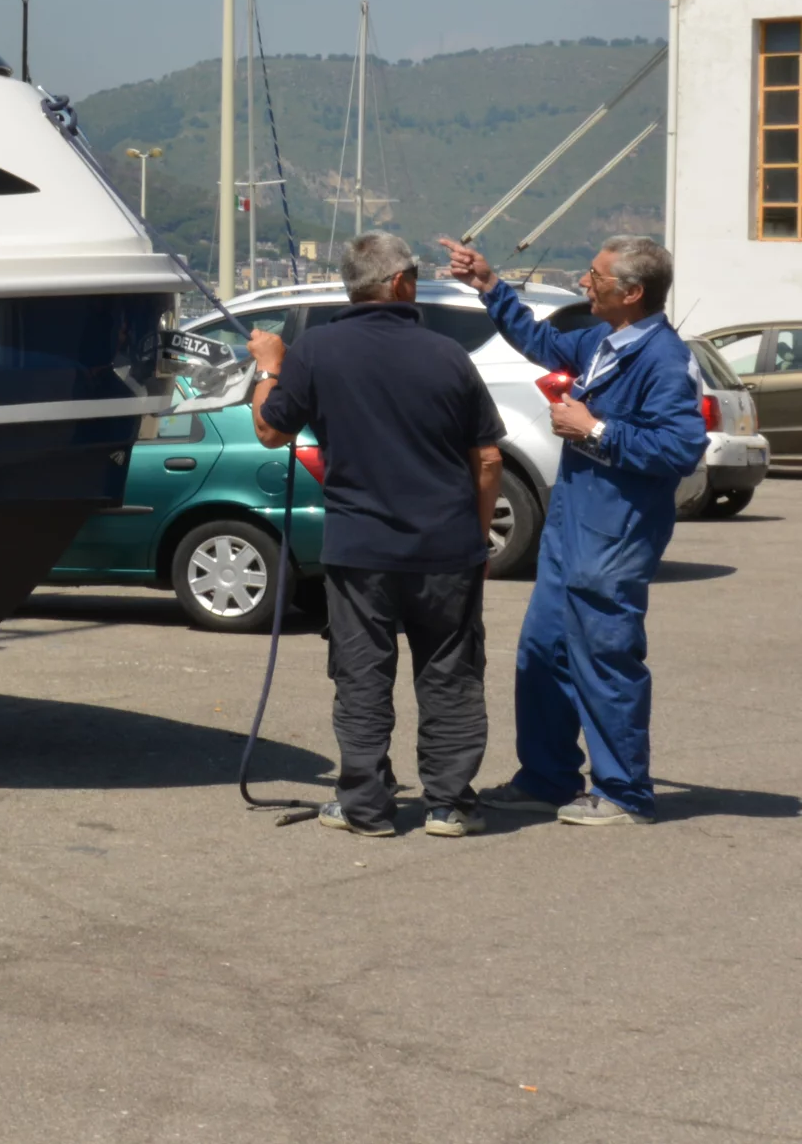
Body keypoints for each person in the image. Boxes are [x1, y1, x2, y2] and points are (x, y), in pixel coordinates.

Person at [247, 232, 506, 838]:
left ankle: (365, 805)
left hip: (360, 551)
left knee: (362, 675)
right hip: (446, 549)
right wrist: (475, 537)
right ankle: (449, 804)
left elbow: (269, 432)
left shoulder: (316, 351)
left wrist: (269, 369)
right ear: (400, 284)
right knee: (451, 673)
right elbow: (488, 460)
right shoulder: (448, 355)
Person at [440, 232, 704, 825]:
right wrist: (489, 285)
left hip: (615, 531)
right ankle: (548, 776)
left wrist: (596, 430)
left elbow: (682, 449)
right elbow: (543, 342)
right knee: (543, 651)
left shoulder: (662, 359)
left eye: (595, 277)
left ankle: (623, 792)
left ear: (632, 292)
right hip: (571, 524)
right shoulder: (605, 341)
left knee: (605, 655)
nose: (585, 283)